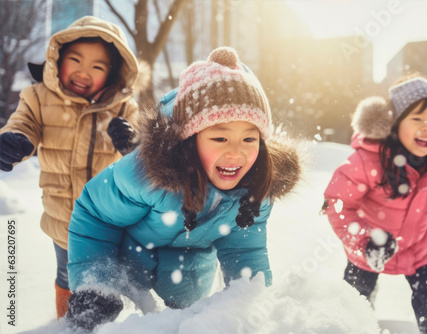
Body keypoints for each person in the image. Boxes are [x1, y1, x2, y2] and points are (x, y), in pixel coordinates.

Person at [65, 46, 302, 331]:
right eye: (220, 138)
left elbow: (245, 250)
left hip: (189, 273)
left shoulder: (255, 190)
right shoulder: (147, 174)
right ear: (190, 139)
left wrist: (253, 305)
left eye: (249, 139)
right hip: (129, 267)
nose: (236, 153)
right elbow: (94, 214)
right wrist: (97, 283)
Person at [0, 16, 139, 318]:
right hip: (63, 215)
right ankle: (64, 323)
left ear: (113, 74)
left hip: (108, 218)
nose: (83, 71)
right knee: (66, 275)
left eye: (97, 67)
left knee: (103, 280)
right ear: (57, 60)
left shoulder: (123, 107)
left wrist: (132, 142)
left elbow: (143, 154)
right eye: (75, 59)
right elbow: (24, 122)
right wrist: (15, 140)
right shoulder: (38, 97)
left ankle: (106, 323)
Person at [323, 76, 427, 334]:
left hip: (416, 250)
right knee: (353, 301)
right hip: (369, 249)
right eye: (418, 119)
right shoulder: (369, 159)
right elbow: (338, 203)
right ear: (396, 122)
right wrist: (365, 240)